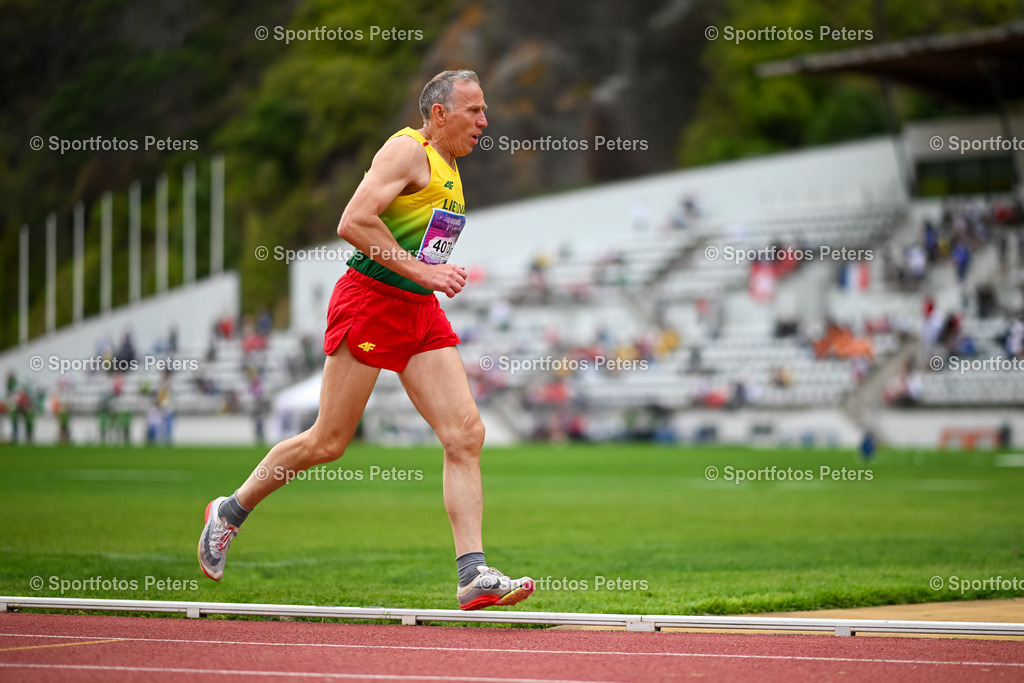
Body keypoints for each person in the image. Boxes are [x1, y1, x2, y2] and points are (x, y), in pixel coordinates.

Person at [197, 70, 534, 611]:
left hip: (416, 311)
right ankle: (229, 511)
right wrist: (423, 273)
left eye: (485, 111)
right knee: (328, 442)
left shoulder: (450, 167)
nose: (484, 122)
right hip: (371, 301)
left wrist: (424, 277)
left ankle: (472, 574)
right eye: (474, 111)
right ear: (440, 114)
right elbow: (353, 221)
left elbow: (419, 243)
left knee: (466, 434)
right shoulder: (407, 150)